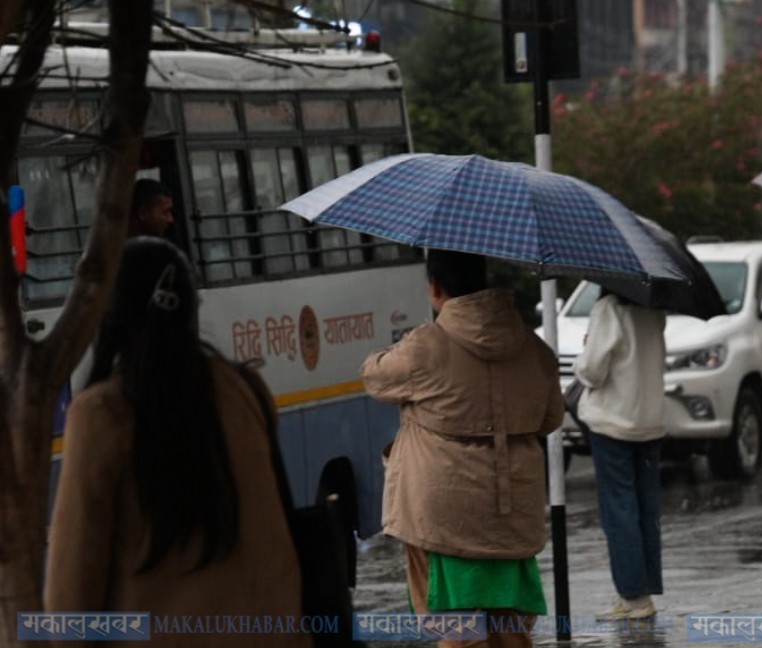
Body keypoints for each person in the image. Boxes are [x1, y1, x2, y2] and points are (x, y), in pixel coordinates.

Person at [45, 237, 308, 647]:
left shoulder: (102, 414)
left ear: (109, 316)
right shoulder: (245, 389)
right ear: (190, 310)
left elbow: (70, 599)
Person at [361, 249, 564, 648]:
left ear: (436, 287)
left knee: (457, 630)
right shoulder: (534, 349)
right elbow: (551, 419)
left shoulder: (424, 346)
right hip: (513, 513)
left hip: (439, 514)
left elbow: (374, 377)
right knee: (510, 630)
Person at [572, 288, 666, 620]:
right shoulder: (653, 310)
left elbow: (593, 371)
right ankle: (642, 592)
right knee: (644, 508)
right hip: (649, 421)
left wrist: (584, 354)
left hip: (613, 423)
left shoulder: (608, 309)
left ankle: (633, 597)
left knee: (619, 510)